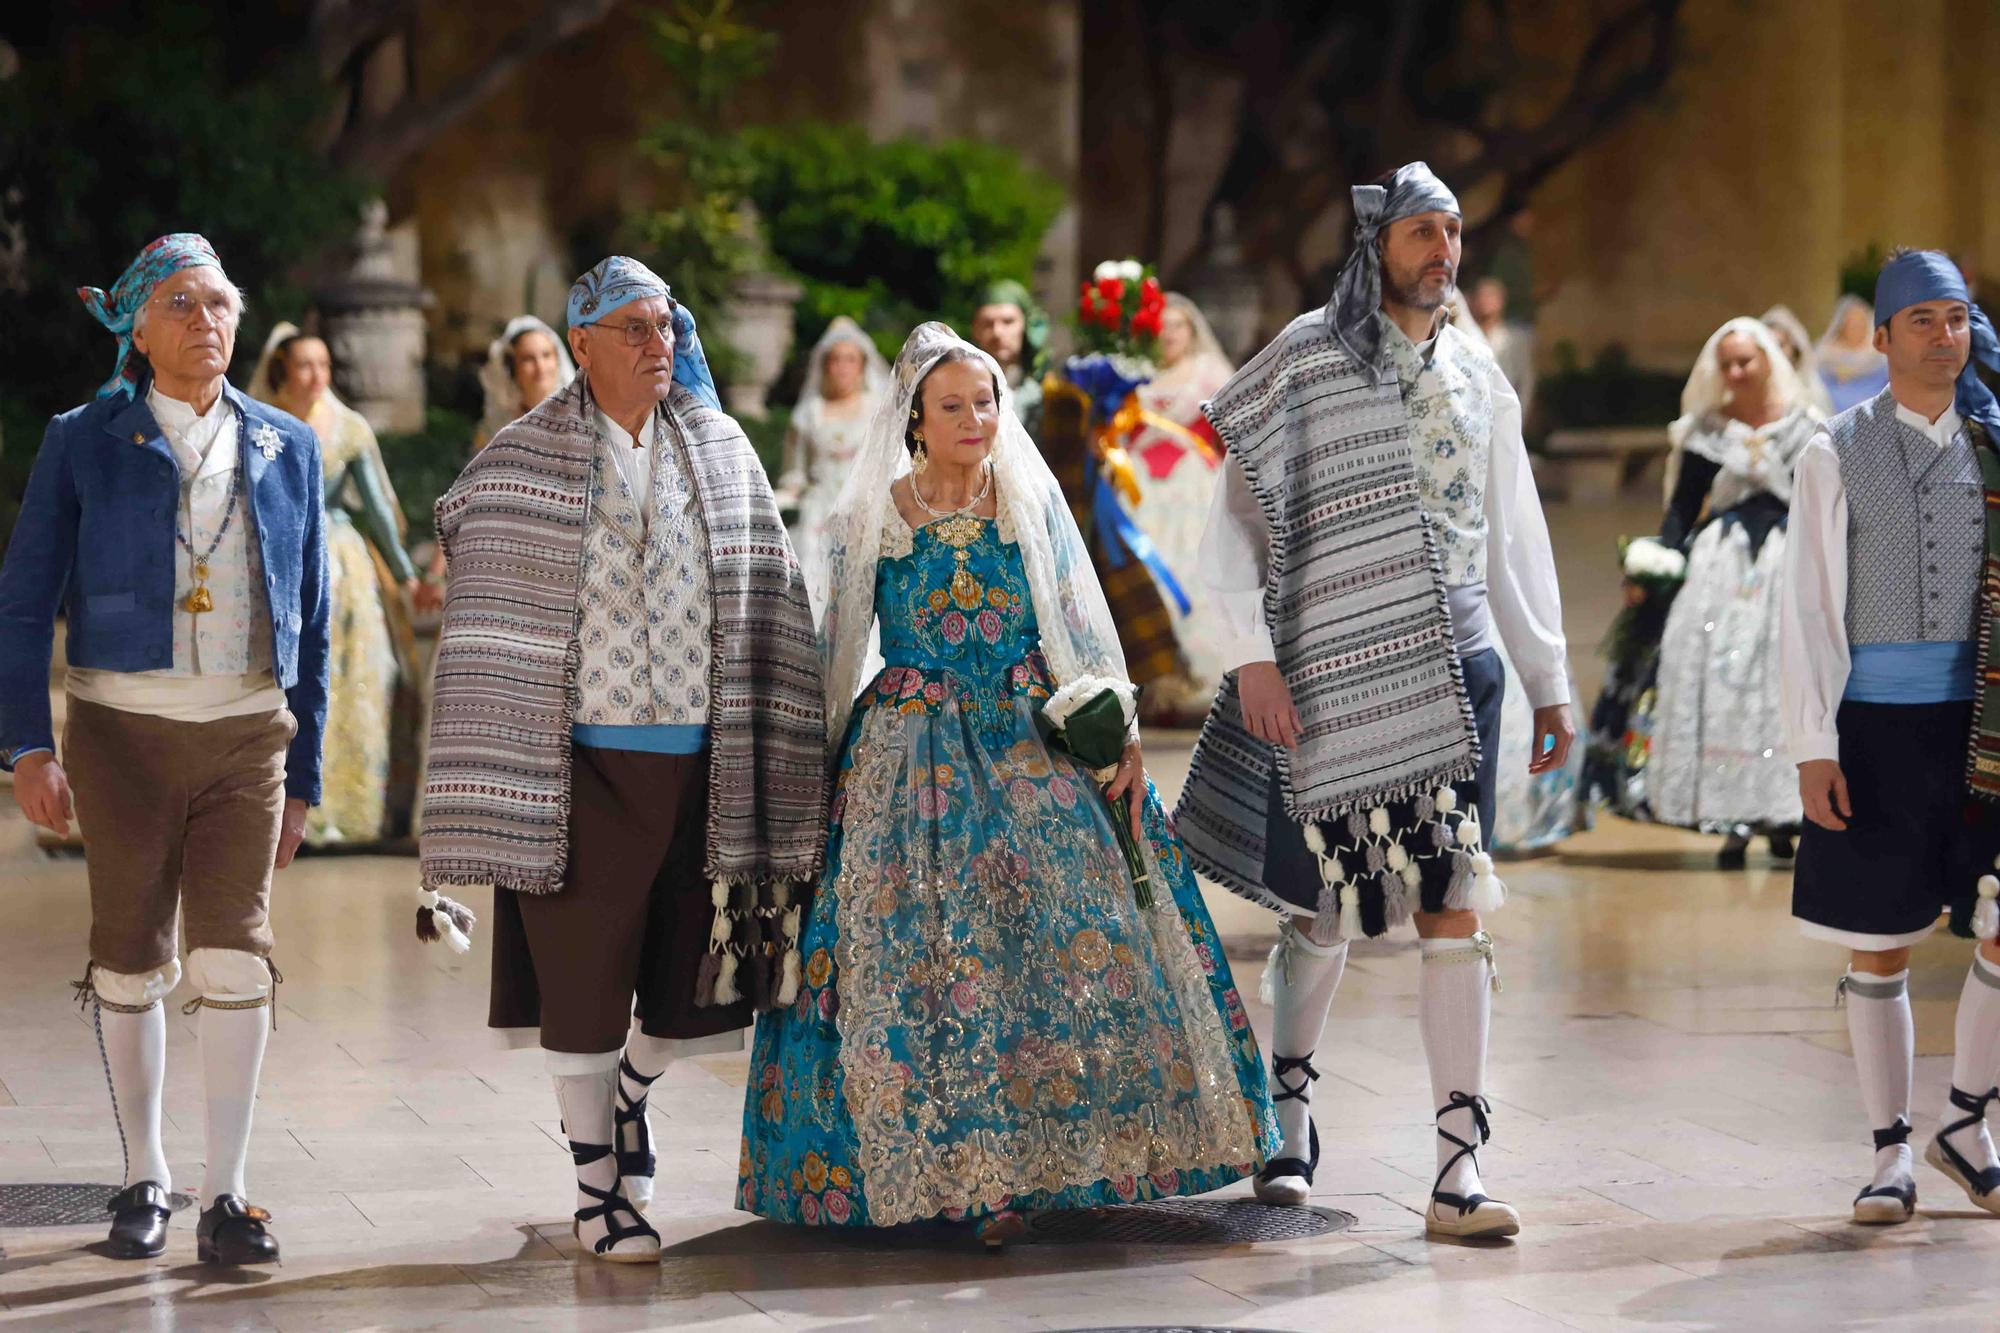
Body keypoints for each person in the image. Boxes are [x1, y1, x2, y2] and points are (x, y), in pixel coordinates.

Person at [736, 323, 1277, 1247]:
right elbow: (836, 652)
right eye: (954, 405)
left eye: (985, 402)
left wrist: (1122, 731)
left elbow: (1077, 618)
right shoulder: (873, 517)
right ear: (915, 417)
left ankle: (1060, 1161)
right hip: (910, 756)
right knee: (928, 958)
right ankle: (955, 1172)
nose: (977, 418)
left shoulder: (1026, 501)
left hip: (1032, 737)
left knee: (1068, 937)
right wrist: (811, 771)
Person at [1176, 163, 1574, 1240]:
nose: (1440, 251)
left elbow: (1511, 530)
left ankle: (1457, 1166)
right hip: (1332, 664)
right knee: (1324, 903)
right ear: (1373, 243)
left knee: (1453, 899)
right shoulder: (1307, 358)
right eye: (1418, 233)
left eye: (1450, 232)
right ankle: (1288, 1108)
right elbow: (1231, 521)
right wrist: (1250, 655)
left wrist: (1546, 678)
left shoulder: (1478, 372)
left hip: (1460, 662)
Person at [418, 257, 825, 1262]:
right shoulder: (521, 458)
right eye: (635, 330)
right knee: (584, 983)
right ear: (583, 344)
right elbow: (472, 556)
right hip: (583, 770)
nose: (661, 345)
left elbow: (771, 582)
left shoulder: (722, 446)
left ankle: (632, 1095)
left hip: (709, 761)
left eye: (667, 327)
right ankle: (596, 1185)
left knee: (697, 985)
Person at [0, 234, 329, 1265]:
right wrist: (24, 747)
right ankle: (146, 1176)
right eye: (183, 306)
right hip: (119, 732)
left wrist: (306, 773)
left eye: (222, 304)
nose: (209, 323)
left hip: (246, 734)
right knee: (130, 957)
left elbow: (313, 623)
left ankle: (229, 1195)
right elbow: (20, 605)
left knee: (238, 955)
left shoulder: (287, 446)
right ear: (136, 328)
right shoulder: (82, 439)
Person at [1782, 249, 2000, 1227]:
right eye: (1921, 321)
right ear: (1879, 338)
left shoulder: (1994, 444)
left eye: (1955, 319)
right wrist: (1809, 743)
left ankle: (1966, 1120)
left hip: (1984, 726)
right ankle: (1887, 1152)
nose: (1941, 337)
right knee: (1878, 945)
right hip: (1872, 727)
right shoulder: (1831, 449)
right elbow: (1805, 610)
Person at [1646, 317, 1819, 866]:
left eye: (1746, 360)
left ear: (1769, 359)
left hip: (1787, 564)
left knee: (1781, 684)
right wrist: (1655, 562)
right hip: (1721, 565)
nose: (1737, 371)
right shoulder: (1707, 432)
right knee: (1722, 684)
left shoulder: (1806, 428)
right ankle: (1732, 818)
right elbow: (1682, 507)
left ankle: (1785, 811)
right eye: (1727, 364)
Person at [248, 325, 422, 844]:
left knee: (345, 675)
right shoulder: (257, 419)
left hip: (334, 560)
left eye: (323, 365)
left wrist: (407, 575)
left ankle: (342, 808)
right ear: (283, 371)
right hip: (271, 552)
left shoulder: (348, 428)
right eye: (305, 365)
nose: (317, 376)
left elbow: (378, 510)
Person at [1127, 293, 1234, 719]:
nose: (1168, 334)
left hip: (1194, 489)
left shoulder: (1211, 374)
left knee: (1195, 581)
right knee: (1145, 581)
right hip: (1138, 492)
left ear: (1191, 332)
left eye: (1177, 326)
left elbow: (1231, 434)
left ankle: (1201, 685)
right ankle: (1153, 684)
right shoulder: (1134, 372)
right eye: (1161, 326)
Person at [419, 316, 576, 601]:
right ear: (512, 370)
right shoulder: (497, 430)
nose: (540, 367)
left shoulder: (581, 422)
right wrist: (434, 572)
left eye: (546, 355)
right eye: (528, 359)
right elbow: (465, 496)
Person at [773, 316, 888, 611]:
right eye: (835, 360)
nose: (843, 367)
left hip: (866, 509)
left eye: (850, 359)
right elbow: (795, 472)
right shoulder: (809, 413)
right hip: (819, 514)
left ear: (862, 364)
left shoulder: (877, 409)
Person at [970, 279, 1049, 438]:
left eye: (1008, 322)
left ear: (1025, 326)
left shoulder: (1049, 393)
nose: (997, 332)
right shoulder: (958, 393)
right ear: (975, 329)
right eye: (987, 323)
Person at [1467, 275, 1535, 416]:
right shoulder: (1465, 337)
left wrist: (1521, 417)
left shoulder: (1515, 338)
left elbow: (1526, 379)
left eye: (1490, 297)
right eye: (1481, 296)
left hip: (1506, 410)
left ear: (1501, 301)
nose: (1484, 301)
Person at [1816, 294, 1891, 413]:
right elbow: (1815, 386)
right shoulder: (1825, 355)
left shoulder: (1881, 357)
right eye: (1852, 322)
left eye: (1861, 322)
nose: (1857, 327)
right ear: (1842, 325)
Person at [1762, 303, 1836, 417]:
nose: (1774, 352)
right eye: (1768, 345)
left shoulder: (1809, 387)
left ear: (1794, 347)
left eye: (1780, 345)